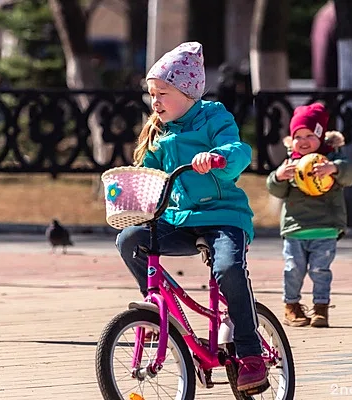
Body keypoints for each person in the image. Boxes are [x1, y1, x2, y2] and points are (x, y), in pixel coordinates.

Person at [116, 42, 268, 393]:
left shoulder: (214, 117)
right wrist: (130, 191)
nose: (155, 102)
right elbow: (149, 177)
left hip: (222, 217)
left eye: (162, 93)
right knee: (129, 240)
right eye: (151, 94)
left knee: (228, 267)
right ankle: (157, 312)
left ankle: (250, 351)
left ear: (187, 92)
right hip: (179, 220)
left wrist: (215, 157)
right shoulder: (159, 132)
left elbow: (238, 150)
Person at [266, 103, 352, 328]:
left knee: (320, 270)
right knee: (293, 269)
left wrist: (333, 169)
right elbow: (275, 190)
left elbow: (350, 173)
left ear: (321, 137)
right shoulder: (291, 163)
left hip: (325, 228)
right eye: (298, 136)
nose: (303, 141)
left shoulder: (331, 160)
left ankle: (320, 308)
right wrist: (278, 177)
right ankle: (292, 306)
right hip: (295, 228)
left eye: (310, 135)